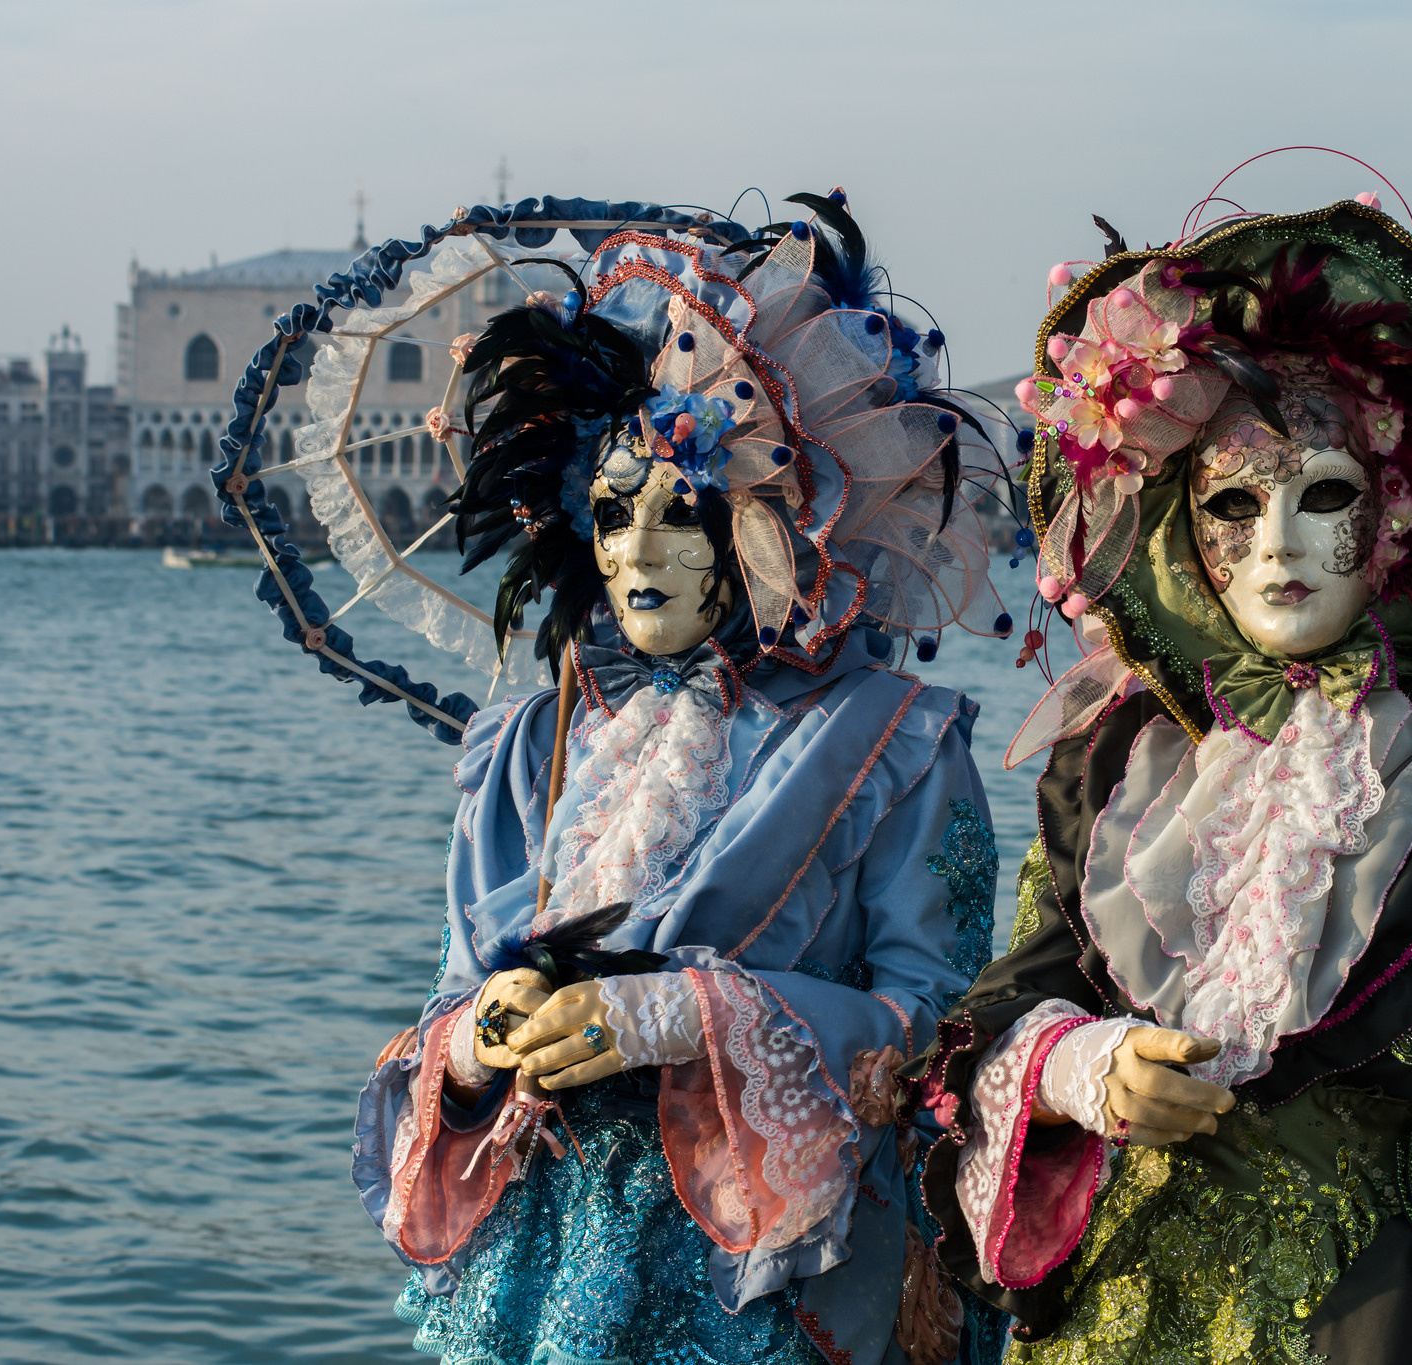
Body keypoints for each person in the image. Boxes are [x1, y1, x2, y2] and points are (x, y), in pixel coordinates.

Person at [912, 197, 1412, 1365]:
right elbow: (1007, 1001)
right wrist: (1087, 1070)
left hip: (1389, 1313)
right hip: (1123, 1313)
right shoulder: (1116, 766)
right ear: (1183, 533)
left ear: (1396, 510)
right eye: (1233, 504)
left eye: (1319, 495)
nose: (1277, 544)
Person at [351, 194, 1012, 1365]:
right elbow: (450, 987)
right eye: (611, 514)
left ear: (766, 526)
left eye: (684, 513)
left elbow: (939, 1033)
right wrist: (475, 1041)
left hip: (763, 1281)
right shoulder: (523, 747)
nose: (639, 554)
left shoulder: (891, 741)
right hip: (546, 1266)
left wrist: (672, 1019)